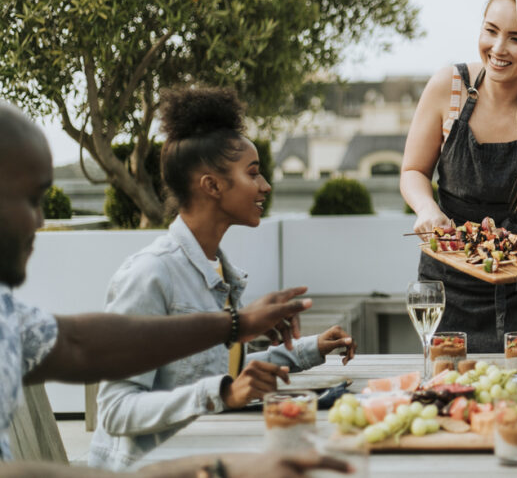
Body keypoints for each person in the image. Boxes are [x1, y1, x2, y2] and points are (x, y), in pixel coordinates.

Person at [0, 100, 349, 476]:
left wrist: (303, 348)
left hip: (195, 454)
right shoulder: (151, 273)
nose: (40, 220)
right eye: (33, 199)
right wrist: (223, 388)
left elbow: (201, 370)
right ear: (211, 185)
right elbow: (117, 408)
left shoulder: (220, 273)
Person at [401, 0, 517, 353]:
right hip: (447, 285)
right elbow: (413, 172)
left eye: (516, 38)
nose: (498, 48)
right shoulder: (448, 86)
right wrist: (427, 209)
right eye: (491, 31)